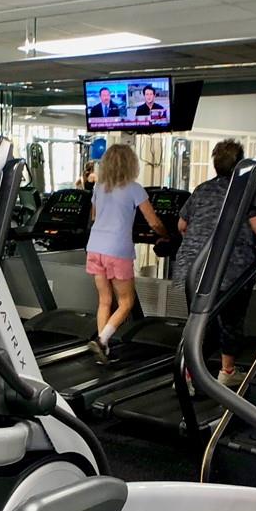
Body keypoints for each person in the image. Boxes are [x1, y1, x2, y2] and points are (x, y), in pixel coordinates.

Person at [176, 139, 256, 386]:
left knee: (199, 320)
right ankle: (227, 371)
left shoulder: (202, 189)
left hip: (193, 265)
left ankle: (188, 374)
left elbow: (182, 225)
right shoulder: (246, 191)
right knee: (231, 320)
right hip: (230, 266)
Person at [85, 141, 168, 363]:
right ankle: (102, 341)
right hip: (117, 250)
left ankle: (103, 347)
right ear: (131, 165)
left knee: (104, 300)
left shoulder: (99, 187)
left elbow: (94, 216)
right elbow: (153, 222)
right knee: (126, 302)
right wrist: (167, 235)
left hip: (95, 247)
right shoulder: (134, 188)